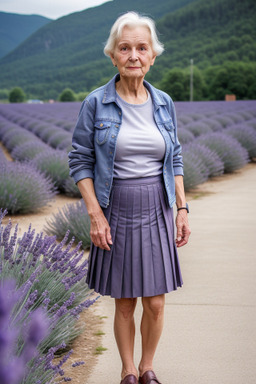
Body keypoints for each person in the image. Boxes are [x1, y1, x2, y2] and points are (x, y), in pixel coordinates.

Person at [68, 11, 191, 384]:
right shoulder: (96, 103)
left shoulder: (164, 102)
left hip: (156, 206)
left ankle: (148, 366)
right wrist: (94, 213)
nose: (134, 55)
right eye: (125, 48)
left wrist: (182, 208)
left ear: (153, 55)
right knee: (124, 300)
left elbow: (176, 158)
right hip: (115, 206)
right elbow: (80, 160)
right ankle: (127, 371)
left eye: (142, 48)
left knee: (154, 301)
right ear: (113, 55)